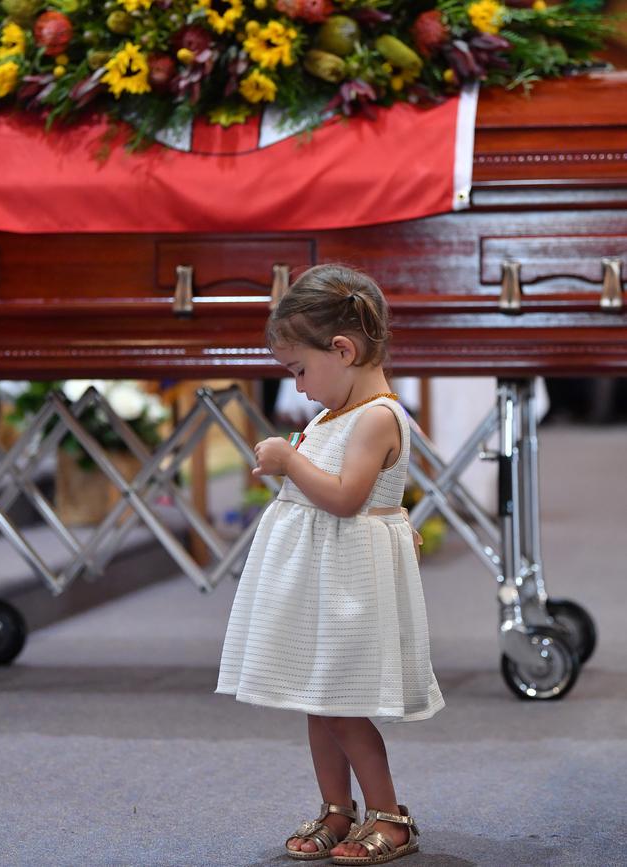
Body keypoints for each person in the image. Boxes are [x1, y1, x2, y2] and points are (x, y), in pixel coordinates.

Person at [215, 264, 444, 865]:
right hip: (323, 575)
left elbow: (346, 498)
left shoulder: (376, 415)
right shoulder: (337, 412)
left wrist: (289, 465)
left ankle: (390, 816)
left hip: (346, 583)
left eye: (299, 370)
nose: (298, 388)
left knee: (343, 701)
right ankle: (337, 808)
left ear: (342, 350)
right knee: (317, 698)